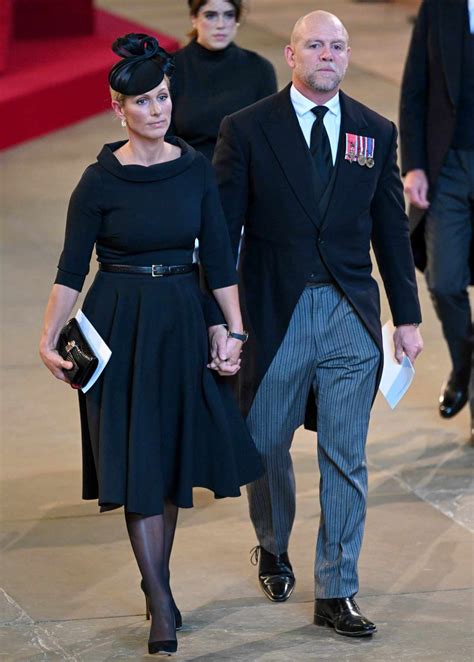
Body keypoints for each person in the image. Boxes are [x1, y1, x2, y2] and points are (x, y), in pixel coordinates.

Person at [38, 33, 263, 656]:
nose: (157, 109)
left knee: (167, 465)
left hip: (183, 322)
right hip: (117, 326)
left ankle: (154, 580)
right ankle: (162, 600)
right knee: (137, 461)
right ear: (119, 109)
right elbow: (69, 268)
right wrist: (48, 334)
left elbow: (218, 257)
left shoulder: (194, 167)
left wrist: (234, 328)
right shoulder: (98, 181)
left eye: (163, 97)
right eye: (143, 102)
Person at [211, 11, 423, 637]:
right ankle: (274, 544)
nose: (327, 55)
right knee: (265, 445)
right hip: (273, 311)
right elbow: (222, 235)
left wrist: (406, 318)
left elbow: (391, 229)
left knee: (345, 457)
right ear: (291, 54)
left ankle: (337, 589)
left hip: (350, 315)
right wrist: (221, 321)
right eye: (315, 46)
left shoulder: (374, 131)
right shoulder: (246, 130)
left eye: (337, 46)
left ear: (348, 56)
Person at [399, 0, 474, 430]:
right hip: (445, 166)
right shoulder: (439, 7)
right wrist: (414, 165)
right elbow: (414, 89)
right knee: (444, 282)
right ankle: (465, 362)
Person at [168, 0, 277, 161]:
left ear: (237, 20)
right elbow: (161, 139)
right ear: (194, 18)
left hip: (244, 174)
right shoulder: (170, 69)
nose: (221, 25)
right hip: (186, 172)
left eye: (229, 15)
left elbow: (268, 138)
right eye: (210, 15)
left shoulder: (260, 69)